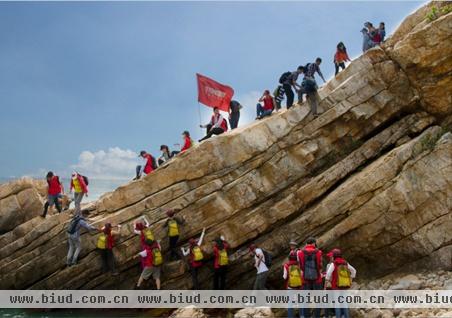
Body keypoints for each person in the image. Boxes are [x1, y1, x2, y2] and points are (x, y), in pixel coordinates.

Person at [325, 249, 356, 318]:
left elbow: (328, 274)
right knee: (344, 302)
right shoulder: (345, 263)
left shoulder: (334, 263)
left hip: (336, 286)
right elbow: (354, 270)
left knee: (337, 303)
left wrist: (328, 280)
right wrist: (351, 278)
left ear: (334, 256)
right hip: (345, 285)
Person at [297, 237, 323, 318]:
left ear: (306, 243)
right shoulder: (318, 252)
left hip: (305, 279)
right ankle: (317, 316)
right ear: (313, 243)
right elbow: (320, 265)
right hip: (317, 278)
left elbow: (300, 266)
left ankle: (306, 316)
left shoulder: (300, 252)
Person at [283, 251, 303, 318]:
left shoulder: (286, 265)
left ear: (289, 258)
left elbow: (285, 277)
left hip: (290, 287)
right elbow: (302, 275)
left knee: (290, 304)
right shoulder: (299, 265)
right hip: (299, 287)